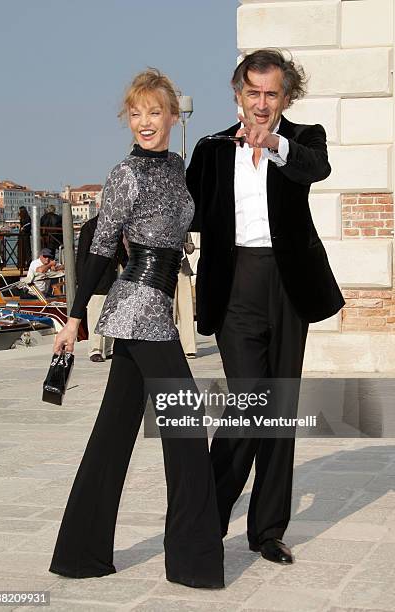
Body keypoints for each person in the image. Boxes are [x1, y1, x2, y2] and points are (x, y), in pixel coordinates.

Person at [48, 69, 224, 589]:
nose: (145, 122)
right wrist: (74, 318)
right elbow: (100, 246)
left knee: (113, 434)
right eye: (136, 113)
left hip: (158, 302)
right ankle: (193, 563)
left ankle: (80, 554)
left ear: (172, 115)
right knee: (187, 429)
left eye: (155, 112)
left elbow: (186, 221)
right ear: (128, 118)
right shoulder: (125, 174)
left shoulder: (175, 165)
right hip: (138, 305)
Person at [186, 49, 345, 565]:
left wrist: (273, 143)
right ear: (237, 95)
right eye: (251, 93)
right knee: (249, 402)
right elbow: (181, 211)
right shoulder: (210, 150)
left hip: (289, 287)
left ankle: (268, 529)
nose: (260, 103)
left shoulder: (303, 138)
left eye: (270, 93)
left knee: (279, 409)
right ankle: (203, 518)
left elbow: (314, 169)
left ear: (285, 96)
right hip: (234, 287)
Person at [76, 214, 128, 362]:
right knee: (95, 316)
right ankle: (95, 350)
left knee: (111, 315)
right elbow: (81, 256)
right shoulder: (89, 227)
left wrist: (129, 267)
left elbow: (121, 253)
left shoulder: (115, 226)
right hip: (95, 281)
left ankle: (109, 348)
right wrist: (82, 281)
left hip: (112, 279)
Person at [174, 232, 197, 358]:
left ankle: (189, 347)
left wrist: (184, 245)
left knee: (187, 310)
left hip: (183, 269)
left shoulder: (184, 226)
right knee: (169, 311)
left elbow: (191, 248)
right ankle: (168, 345)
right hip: (167, 269)